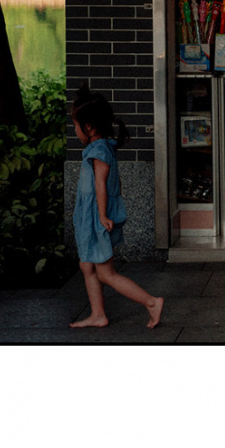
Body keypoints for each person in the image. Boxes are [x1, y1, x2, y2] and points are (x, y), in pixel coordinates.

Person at [70, 84, 163, 329]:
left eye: (76, 126)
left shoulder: (99, 150)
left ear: (88, 127)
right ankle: (98, 314)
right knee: (87, 265)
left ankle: (151, 302)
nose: (75, 131)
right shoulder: (101, 147)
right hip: (92, 215)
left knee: (105, 272)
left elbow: (101, 184)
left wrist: (102, 214)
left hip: (95, 217)